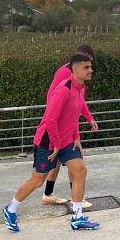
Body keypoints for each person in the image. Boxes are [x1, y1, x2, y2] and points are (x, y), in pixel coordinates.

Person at [3, 53, 100, 233]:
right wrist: (56, 144)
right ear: (75, 69)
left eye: (90, 67)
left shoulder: (80, 88)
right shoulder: (63, 89)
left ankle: (77, 217)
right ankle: (10, 209)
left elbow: (74, 112)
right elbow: (51, 119)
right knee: (37, 180)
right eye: (86, 67)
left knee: (80, 170)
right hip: (48, 140)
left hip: (66, 140)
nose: (90, 70)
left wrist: (76, 137)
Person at [42, 44, 97, 208]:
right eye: (87, 64)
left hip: (63, 121)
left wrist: (88, 117)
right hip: (59, 121)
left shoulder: (74, 76)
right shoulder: (66, 73)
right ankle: (75, 199)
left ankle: (49, 194)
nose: (90, 69)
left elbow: (79, 100)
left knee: (60, 161)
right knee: (74, 162)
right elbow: (54, 97)